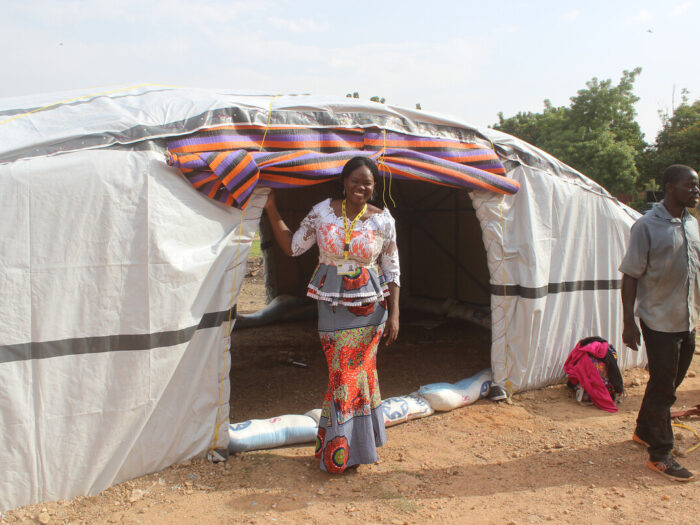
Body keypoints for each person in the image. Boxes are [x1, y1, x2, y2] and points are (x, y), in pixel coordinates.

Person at [263, 156, 400, 473]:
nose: (360, 188)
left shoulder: (383, 221)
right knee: (342, 377)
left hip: (371, 310)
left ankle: (351, 449)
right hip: (333, 306)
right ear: (344, 181)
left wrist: (394, 315)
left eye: (367, 183)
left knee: (362, 375)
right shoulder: (323, 212)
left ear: (374, 187)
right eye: (355, 181)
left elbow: (392, 269)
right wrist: (271, 209)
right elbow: (294, 246)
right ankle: (344, 449)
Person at [620, 164, 700, 482]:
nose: (695, 191)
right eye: (689, 186)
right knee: (664, 389)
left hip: (688, 319)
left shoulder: (692, 224)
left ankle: (643, 430)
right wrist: (628, 322)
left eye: (696, 186)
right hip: (659, 322)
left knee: (667, 384)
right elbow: (630, 276)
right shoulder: (646, 226)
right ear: (669, 188)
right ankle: (660, 454)